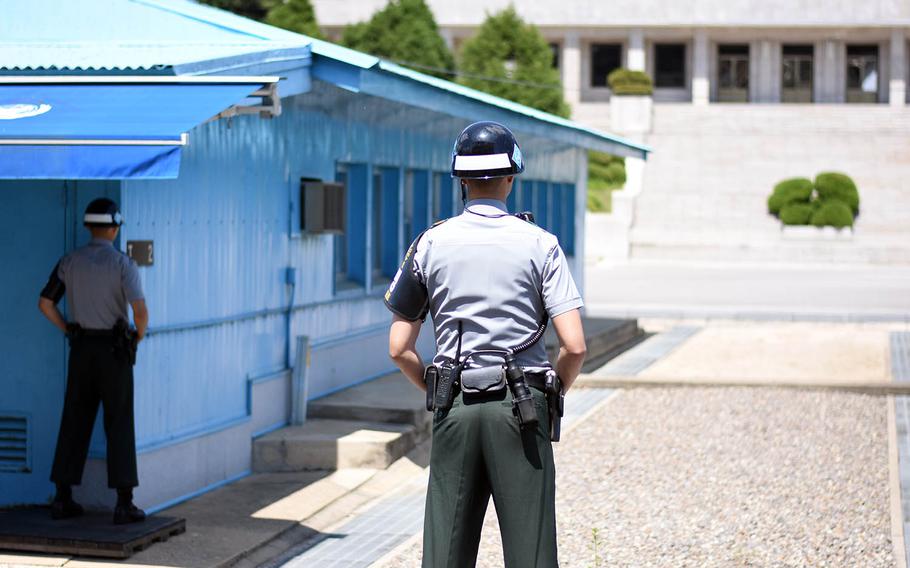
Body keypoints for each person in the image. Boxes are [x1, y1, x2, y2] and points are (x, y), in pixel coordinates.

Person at [385, 121, 587, 567]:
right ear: (512, 176)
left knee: (446, 545)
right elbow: (574, 346)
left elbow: (400, 347)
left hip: (453, 399)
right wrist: (550, 391)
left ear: (460, 180)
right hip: (524, 405)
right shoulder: (541, 244)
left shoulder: (430, 243)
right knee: (531, 549)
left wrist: (438, 392)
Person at [38, 198, 148, 524]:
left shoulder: (69, 261)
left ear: (89, 227)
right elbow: (140, 313)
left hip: (82, 347)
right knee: (119, 422)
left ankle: (62, 497)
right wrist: (135, 338)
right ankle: (123, 503)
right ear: (114, 228)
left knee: (74, 418)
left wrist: (68, 328)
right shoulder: (123, 265)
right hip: (114, 351)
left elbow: (45, 303)